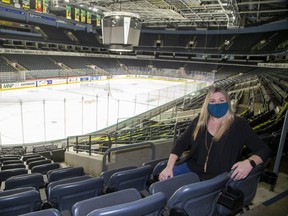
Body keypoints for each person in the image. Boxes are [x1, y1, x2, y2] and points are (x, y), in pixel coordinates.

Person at [159, 86, 271, 181]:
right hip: (191, 168)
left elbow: (264, 150)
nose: (217, 104)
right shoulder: (199, 121)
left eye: (221, 100)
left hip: (216, 178)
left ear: (227, 102)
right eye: (212, 101)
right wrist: (169, 167)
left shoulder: (239, 124)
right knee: (160, 178)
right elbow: (181, 143)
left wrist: (249, 162)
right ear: (207, 104)